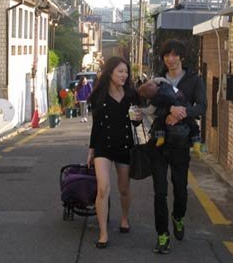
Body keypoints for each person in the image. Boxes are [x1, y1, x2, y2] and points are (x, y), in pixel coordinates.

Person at [139, 39, 207, 255]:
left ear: (182, 57)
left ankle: (178, 217)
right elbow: (151, 106)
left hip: (181, 142)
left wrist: (181, 113)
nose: (170, 59)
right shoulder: (158, 80)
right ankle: (162, 235)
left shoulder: (194, 80)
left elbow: (202, 106)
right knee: (160, 192)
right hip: (159, 141)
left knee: (180, 189)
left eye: (174, 54)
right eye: (167, 55)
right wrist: (168, 111)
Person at [86, 56, 143, 249]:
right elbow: (96, 126)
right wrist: (91, 150)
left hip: (124, 145)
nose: (124, 75)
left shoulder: (131, 95)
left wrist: (138, 118)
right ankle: (103, 233)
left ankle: (124, 218)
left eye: (126, 72)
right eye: (120, 71)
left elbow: (136, 123)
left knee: (124, 188)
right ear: (110, 73)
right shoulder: (99, 95)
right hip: (103, 146)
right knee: (103, 188)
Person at [138, 77, 201, 154]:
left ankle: (161, 137)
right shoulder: (165, 85)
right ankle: (196, 143)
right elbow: (161, 79)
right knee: (193, 124)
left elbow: (150, 111)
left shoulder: (156, 100)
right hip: (183, 106)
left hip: (171, 114)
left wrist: (140, 110)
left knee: (159, 121)